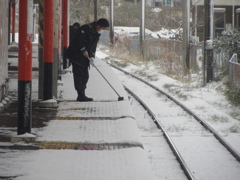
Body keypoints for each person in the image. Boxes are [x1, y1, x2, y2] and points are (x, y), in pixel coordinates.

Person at [66, 18, 109, 102]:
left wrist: (92, 56)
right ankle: (81, 95)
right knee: (79, 75)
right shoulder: (85, 28)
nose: (102, 30)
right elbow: (79, 41)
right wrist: (83, 50)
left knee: (85, 75)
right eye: (103, 28)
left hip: (84, 57)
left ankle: (82, 95)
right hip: (75, 55)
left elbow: (93, 46)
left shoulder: (96, 33)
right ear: (98, 25)